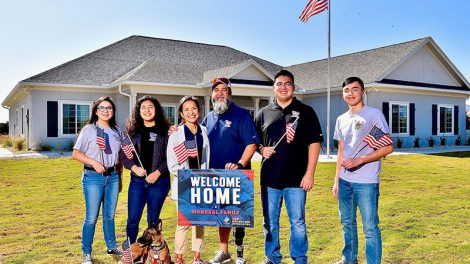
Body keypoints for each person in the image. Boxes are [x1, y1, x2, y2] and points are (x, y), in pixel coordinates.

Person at [255, 69, 323, 264]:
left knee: (298, 223)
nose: (283, 87)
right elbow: (254, 141)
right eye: (279, 84)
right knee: (269, 223)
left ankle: (300, 258)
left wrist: (310, 173)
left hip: (297, 178)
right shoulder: (263, 113)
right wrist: (261, 149)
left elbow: (315, 143)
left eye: (287, 84)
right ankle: (272, 257)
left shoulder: (306, 112)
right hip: (270, 179)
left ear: (293, 87)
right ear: (274, 87)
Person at [332, 77, 394, 264]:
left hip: (366, 182)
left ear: (363, 92)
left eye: (355, 89)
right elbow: (341, 152)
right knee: (347, 224)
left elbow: (388, 147)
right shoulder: (341, 119)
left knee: (370, 227)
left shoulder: (373, 115)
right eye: (346, 90)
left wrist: (361, 159)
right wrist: (336, 181)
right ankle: (349, 259)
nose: (350, 93)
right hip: (344, 181)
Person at [204, 77, 259, 264]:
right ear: (212, 95)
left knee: (239, 217)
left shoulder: (242, 115)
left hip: (238, 175)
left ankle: (240, 253)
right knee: (223, 216)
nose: (220, 93)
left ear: (230, 94)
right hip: (216, 178)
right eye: (216, 90)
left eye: (224, 90)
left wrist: (240, 163)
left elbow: (251, 144)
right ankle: (224, 252)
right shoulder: (208, 118)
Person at [72, 96, 123, 264]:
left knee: (109, 216)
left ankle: (111, 245)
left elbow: (119, 157)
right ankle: (86, 253)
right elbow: (76, 153)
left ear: (113, 111)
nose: (106, 110)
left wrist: (120, 177)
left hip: (113, 177)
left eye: (109, 108)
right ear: (96, 111)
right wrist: (94, 162)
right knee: (91, 217)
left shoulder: (117, 131)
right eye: (102, 108)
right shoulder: (89, 130)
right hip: (93, 178)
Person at [167, 96, 210, 264]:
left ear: (199, 111)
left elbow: (206, 158)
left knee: (199, 221)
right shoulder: (176, 134)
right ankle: (179, 257)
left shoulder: (204, 131)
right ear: (181, 114)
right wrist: (187, 174)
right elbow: (172, 164)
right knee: (184, 222)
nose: (191, 112)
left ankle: (197, 257)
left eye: (194, 109)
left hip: (201, 184)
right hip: (184, 184)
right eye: (186, 110)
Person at [122, 95, 171, 244]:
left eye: (150, 107)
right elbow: (124, 155)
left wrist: (158, 172)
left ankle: (152, 254)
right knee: (132, 219)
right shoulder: (132, 132)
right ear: (138, 111)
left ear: (156, 110)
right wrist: (133, 167)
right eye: (143, 107)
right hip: (137, 182)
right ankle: (131, 251)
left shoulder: (166, 132)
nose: (147, 110)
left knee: (153, 220)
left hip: (159, 182)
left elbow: (171, 157)